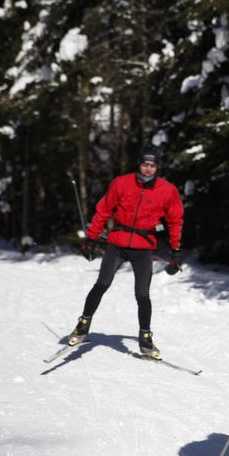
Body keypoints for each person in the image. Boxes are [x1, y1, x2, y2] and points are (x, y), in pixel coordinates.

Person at [68, 147, 185, 359]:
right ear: (139, 164)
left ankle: (145, 338)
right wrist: (91, 239)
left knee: (143, 294)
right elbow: (103, 210)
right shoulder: (122, 183)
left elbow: (175, 220)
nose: (148, 169)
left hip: (143, 248)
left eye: (153, 165)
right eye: (145, 164)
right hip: (118, 244)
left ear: (157, 167)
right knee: (102, 283)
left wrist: (176, 251)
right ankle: (83, 324)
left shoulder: (168, 191)